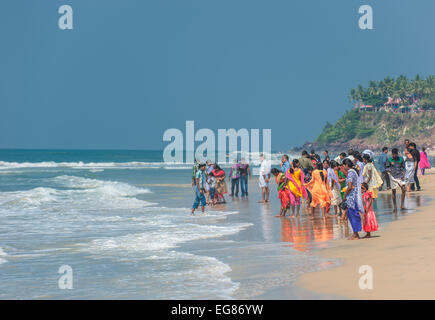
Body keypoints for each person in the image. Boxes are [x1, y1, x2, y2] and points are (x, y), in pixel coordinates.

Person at [342, 158, 363, 240]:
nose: (343, 167)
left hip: (352, 197)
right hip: (354, 196)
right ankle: (356, 233)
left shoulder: (350, 173)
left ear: (346, 165)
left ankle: (355, 234)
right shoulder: (354, 171)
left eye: (344, 165)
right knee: (354, 215)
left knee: (353, 215)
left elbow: (350, 186)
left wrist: (344, 195)